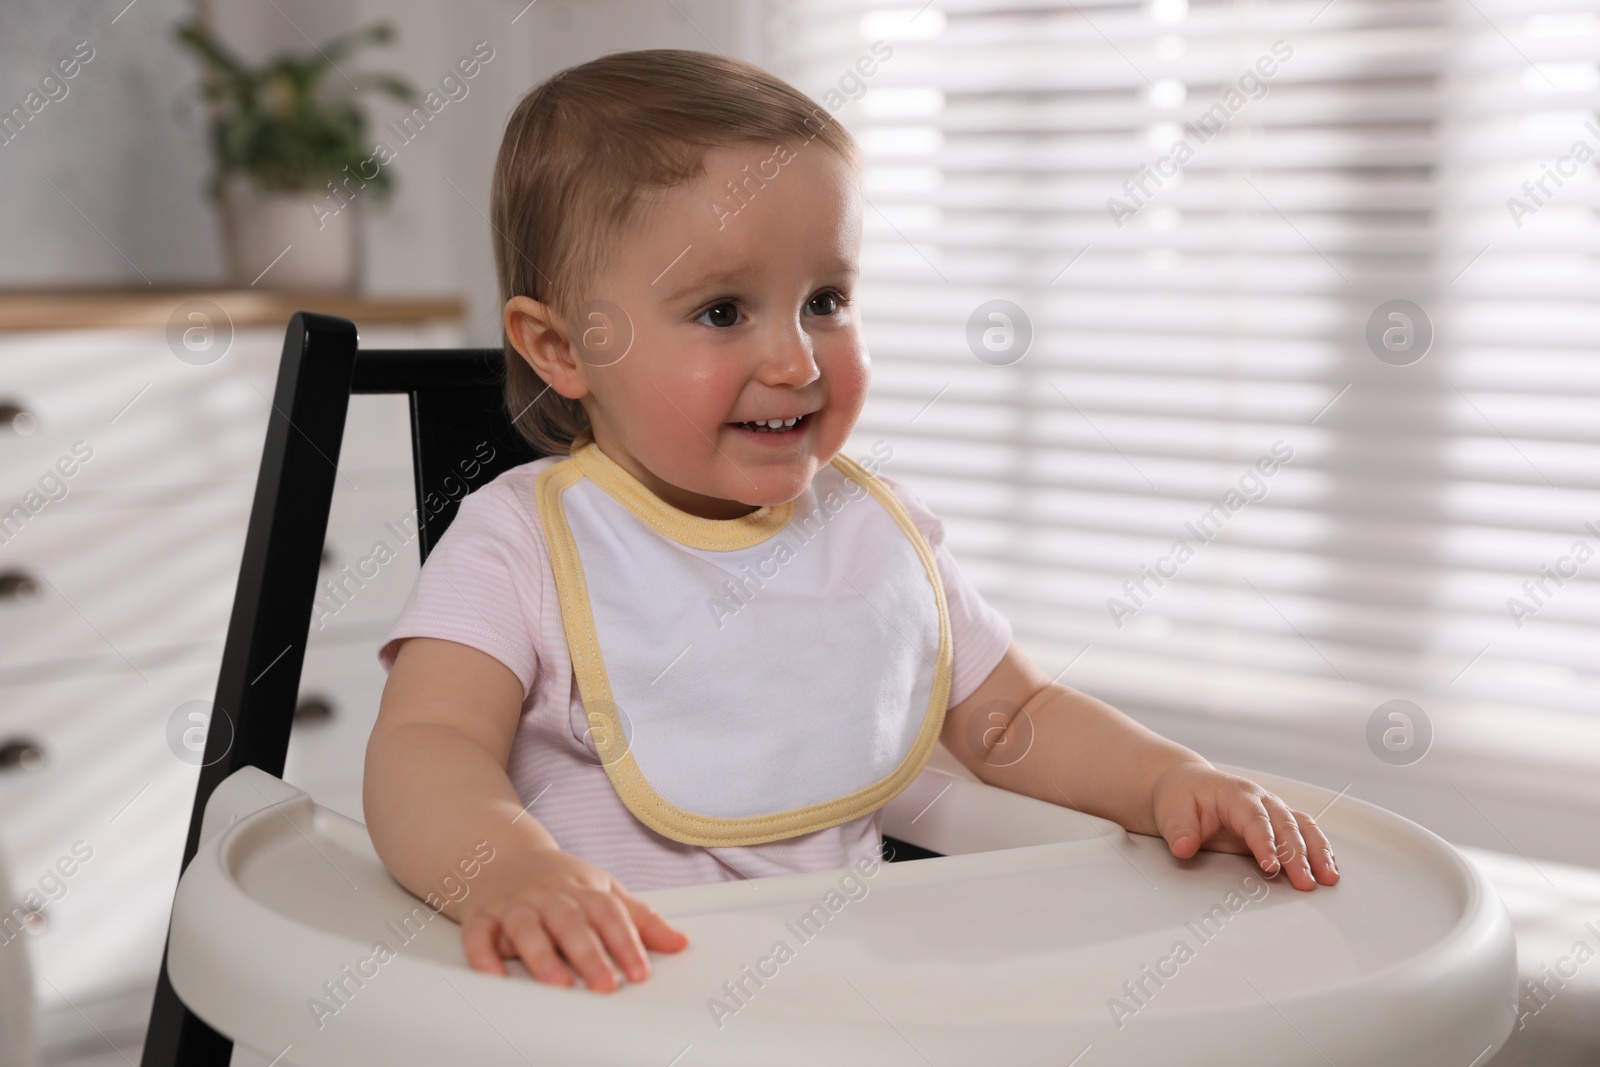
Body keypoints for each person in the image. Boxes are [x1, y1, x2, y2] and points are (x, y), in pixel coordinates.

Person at [363, 48, 1338, 998]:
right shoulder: (520, 542)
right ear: (561, 347)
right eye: (720, 311)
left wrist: (1171, 778)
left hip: (838, 1000)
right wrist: (503, 867)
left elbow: (1015, 718)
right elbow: (429, 745)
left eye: (825, 299)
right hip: (604, 1004)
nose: (796, 359)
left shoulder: (874, 529)